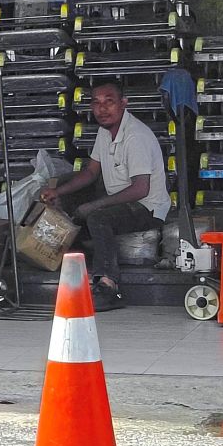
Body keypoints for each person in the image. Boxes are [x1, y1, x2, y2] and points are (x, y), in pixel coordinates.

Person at [40, 80, 172, 311]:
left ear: (123, 104)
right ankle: (59, 257)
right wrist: (57, 192)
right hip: (122, 199)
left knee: (98, 217)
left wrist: (94, 206)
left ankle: (108, 284)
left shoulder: (135, 136)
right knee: (69, 199)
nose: (102, 109)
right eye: (96, 103)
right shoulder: (104, 133)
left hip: (148, 207)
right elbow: (91, 172)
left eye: (109, 102)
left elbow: (141, 189)